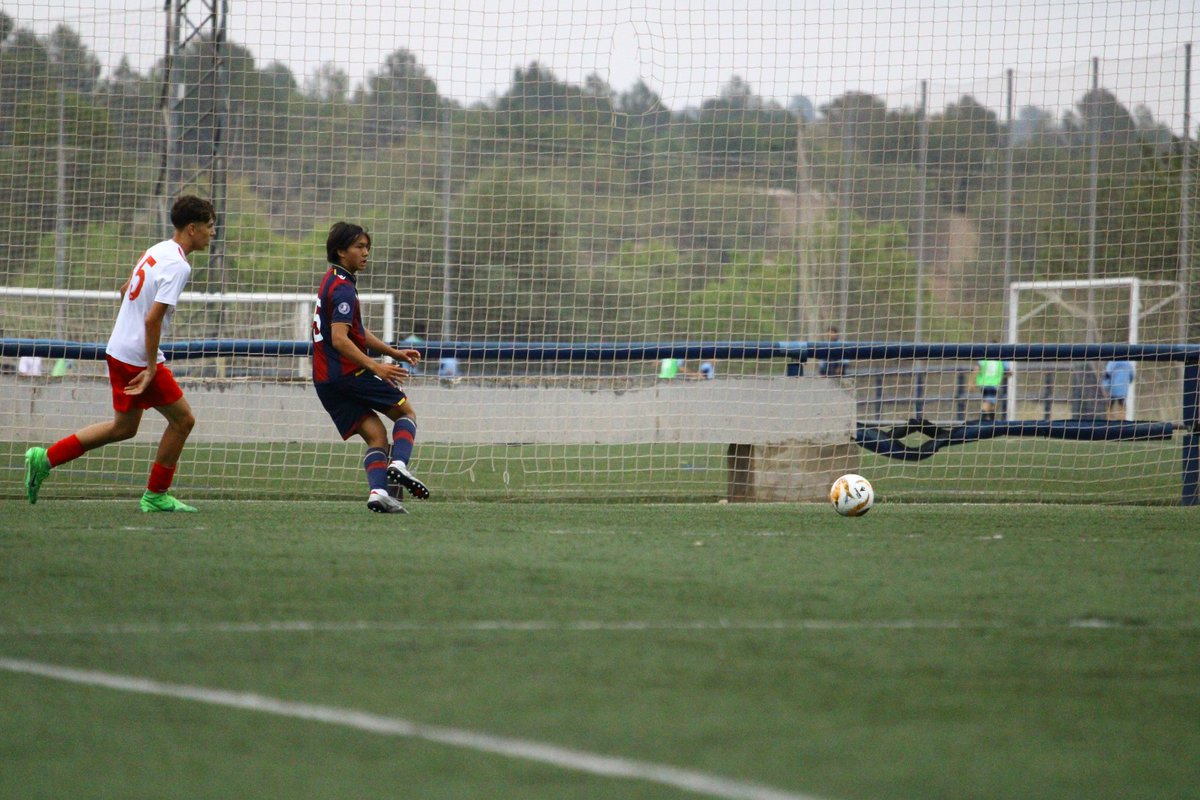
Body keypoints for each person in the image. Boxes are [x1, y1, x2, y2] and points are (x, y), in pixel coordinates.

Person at [23, 195, 215, 511]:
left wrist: (129, 331)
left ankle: (44, 459)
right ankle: (156, 495)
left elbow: (125, 290)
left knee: (123, 428)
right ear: (192, 229)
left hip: (120, 350)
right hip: (138, 358)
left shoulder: (157, 249)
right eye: (209, 226)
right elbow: (152, 318)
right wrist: (151, 366)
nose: (212, 233)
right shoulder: (179, 265)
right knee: (183, 421)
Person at [312, 221, 429, 514]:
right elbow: (340, 340)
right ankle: (400, 464)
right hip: (348, 373)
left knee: (377, 435)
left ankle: (379, 493)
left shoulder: (332, 280)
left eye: (367, 247)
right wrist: (378, 367)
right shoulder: (343, 290)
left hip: (326, 381)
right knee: (406, 413)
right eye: (359, 247)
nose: (366, 253)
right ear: (341, 251)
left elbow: (357, 334)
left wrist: (393, 353)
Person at [974, 347, 1008, 422]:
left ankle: (991, 425)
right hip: (993, 385)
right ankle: (981, 424)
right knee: (988, 403)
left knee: (992, 406)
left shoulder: (984, 356)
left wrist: (972, 381)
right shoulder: (1001, 358)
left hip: (983, 384)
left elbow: (976, 368)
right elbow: (1007, 371)